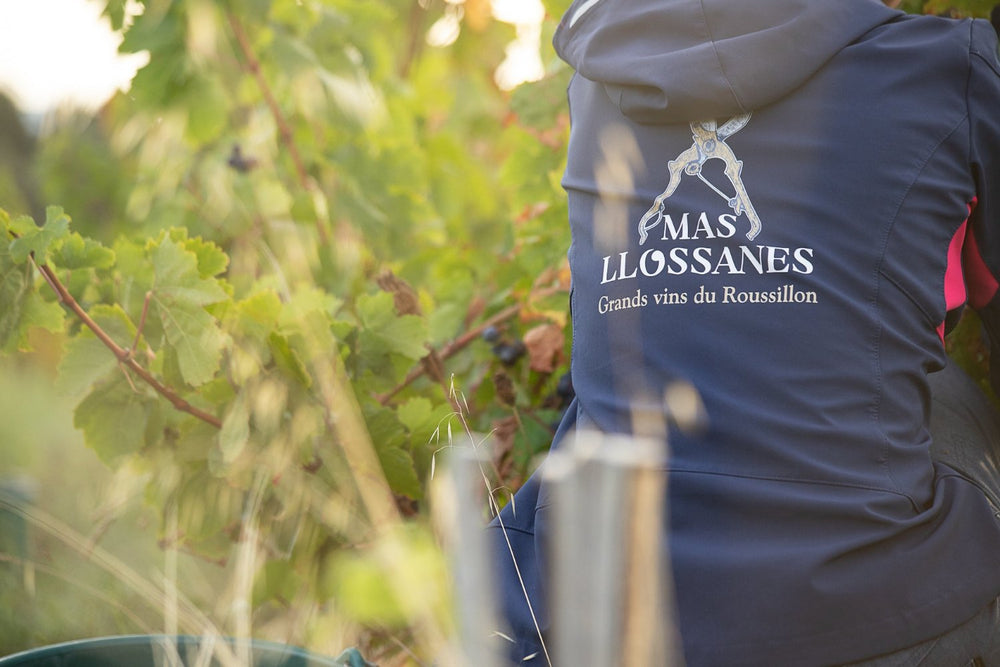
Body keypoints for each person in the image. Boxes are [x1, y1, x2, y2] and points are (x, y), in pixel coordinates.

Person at [487, 0, 1000, 664]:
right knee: (942, 393)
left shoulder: (604, 73)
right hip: (881, 615)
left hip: (603, 618)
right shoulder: (950, 67)